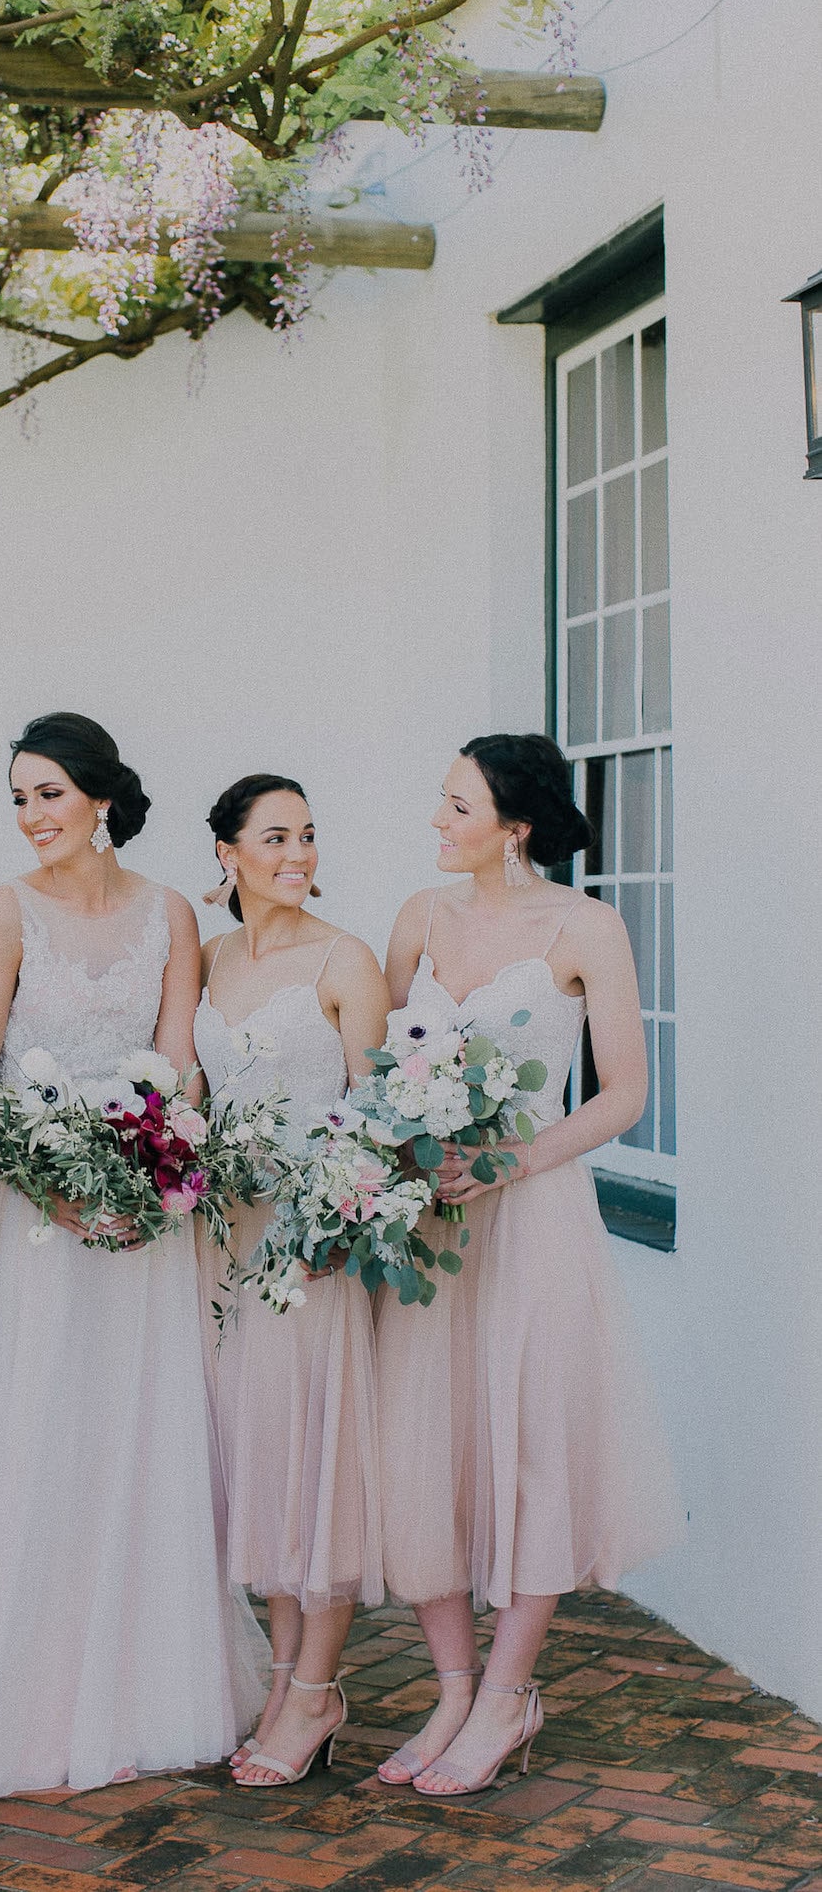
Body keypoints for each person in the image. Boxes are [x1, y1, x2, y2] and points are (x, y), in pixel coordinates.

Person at [0, 713, 267, 1808]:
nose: (29, 818)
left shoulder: (172, 913)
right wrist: (54, 1175)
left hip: (145, 1224)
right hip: (35, 1223)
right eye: (16, 798)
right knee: (32, 1428)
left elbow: (183, 1064)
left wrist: (161, 1160)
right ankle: (7, 1693)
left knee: (138, 1432)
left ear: (100, 798)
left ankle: (144, 1693)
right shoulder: (2, 913)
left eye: (48, 793)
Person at [374, 733, 680, 1798]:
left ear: (513, 824)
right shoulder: (417, 917)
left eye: (455, 805)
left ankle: (508, 1696)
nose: (436, 822)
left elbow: (622, 1093)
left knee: (533, 1448)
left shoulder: (585, 926)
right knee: (426, 1446)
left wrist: (509, 1160)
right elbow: (379, 1060)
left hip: (533, 1216)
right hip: (427, 1225)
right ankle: (451, 1687)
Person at [195, 774, 389, 1789]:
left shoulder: (344, 957)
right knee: (257, 1460)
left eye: (308, 834)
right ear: (226, 852)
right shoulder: (211, 958)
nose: (299, 853)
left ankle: (316, 1691)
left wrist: (334, 1214)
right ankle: (281, 1677)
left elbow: (382, 1117)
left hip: (314, 1252)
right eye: (276, 836)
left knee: (317, 1465)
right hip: (226, 1246)